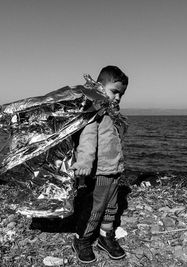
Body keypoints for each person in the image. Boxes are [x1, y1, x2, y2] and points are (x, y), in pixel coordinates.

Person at [70, 65, 129, 263]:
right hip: (100, 171)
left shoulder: (111, 113)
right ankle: (82, 239)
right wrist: (85, 162)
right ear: (99, 87)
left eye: (121, 94)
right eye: (115, 92)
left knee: (112, 207)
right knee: (95, 207)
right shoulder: (95, 112)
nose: (118, 97)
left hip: (114, 170)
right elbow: (87, 138)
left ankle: (105, 237)